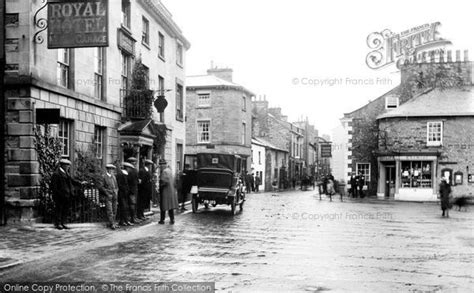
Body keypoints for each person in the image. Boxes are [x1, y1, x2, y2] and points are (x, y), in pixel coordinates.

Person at [50, 159, 82, 230]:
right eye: (67, 165)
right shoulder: (56, 174)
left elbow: (72, 181)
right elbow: (54, 187)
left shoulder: (66, 173)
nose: (68, 167)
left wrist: (80, 183)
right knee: (59, 209)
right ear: (62, 165)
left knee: (65, 210)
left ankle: (63, 223)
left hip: (67, 195)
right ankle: (58, 223)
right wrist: (57, 195)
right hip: (60, 196)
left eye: (68, 165)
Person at [98, 164, 119, 230]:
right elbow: (101, 187)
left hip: (114, 195)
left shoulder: (114, 177)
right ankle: (112, 224)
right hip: (108, 196)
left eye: (112, 169)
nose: (111, 170)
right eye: (110, 169)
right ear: (108, 169)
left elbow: (116, 186)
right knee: (110, 210)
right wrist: (107, 193)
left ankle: (113, 222)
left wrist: (116, 191)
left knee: (115, 209)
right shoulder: (104, 177)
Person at [158, 159, 178, 224]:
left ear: (163, 164)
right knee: (170, 207)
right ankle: (172, 219)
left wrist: (160, 187)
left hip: (165, 192)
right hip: (171, 191)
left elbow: (164, 182)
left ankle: (162, 220)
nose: (160, 166)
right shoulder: (169, 170)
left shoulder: (164, 172)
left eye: (161, 164)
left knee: (163, 206)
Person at [125, 158, 140, 223]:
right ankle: (132, 218)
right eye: (133, 162)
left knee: (132, 204)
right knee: (132, 204)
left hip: (133, 189)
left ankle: (132, 218)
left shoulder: (131, 171)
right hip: (132, 190)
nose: (134, 163)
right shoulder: (133, 171)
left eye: (135, 162)